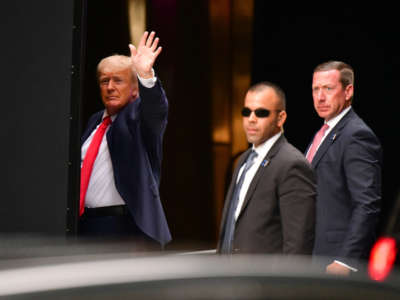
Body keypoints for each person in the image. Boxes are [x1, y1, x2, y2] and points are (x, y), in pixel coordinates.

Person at [79, 31, 171, 249]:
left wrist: (146, 76)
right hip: (86, 226)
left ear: (134, 89)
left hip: (123, 228)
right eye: (104, 81)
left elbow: (156, 109)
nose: (110, 87)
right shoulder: (94, 121)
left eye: (118, 80)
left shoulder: (138, 118)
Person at [217, 82, 316, 254]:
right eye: (246, 112)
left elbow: (298, 243)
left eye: (261, 113)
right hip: (230, 276)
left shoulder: (292, 164)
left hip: (264, 279)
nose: (251, 119)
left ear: (281, 118)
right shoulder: (243, 159)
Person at [307, 61, 382, 275]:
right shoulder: (323, 133)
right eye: (315, 89)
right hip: (313, 257)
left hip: (335, 263)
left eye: (328, 89)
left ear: (348, 91)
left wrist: (346, 261)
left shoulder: (357, 135)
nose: (320, 97)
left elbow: (367, 204)